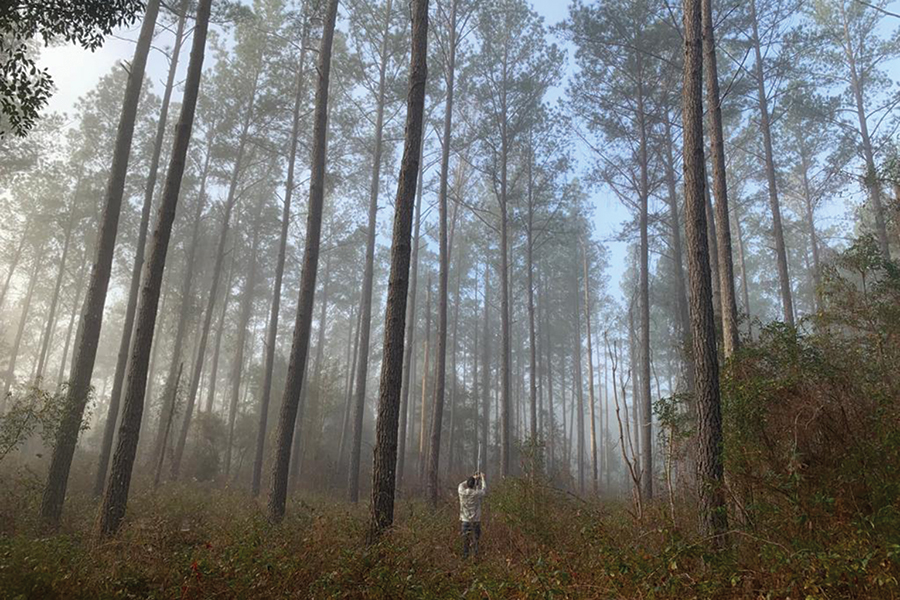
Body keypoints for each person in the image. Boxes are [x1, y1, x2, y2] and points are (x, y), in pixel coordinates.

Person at [458, 471, 487, 558]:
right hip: (475, 521)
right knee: (476, 540)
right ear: (474, 485)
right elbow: (484, 489)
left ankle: (465, 556)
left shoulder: (462, 492)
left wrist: (473, 478)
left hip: (465, 521)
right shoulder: (476, 494)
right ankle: (475, 556)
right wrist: (482, 478)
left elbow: (461, 484)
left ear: (467, 484)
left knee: (465, 541)